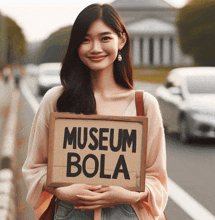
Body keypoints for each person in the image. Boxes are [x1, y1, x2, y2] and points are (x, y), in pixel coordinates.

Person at [22, 3, 168, 220]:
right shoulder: (56, 100)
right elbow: (34, 167)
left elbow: (157, 178)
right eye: (85, 39)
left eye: (105, 38)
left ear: (122, 40)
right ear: (76, 46)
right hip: (70, 212)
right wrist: (61, 190)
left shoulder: (144, 104)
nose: (95, 48)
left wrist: (129, 194)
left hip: (126, 213)